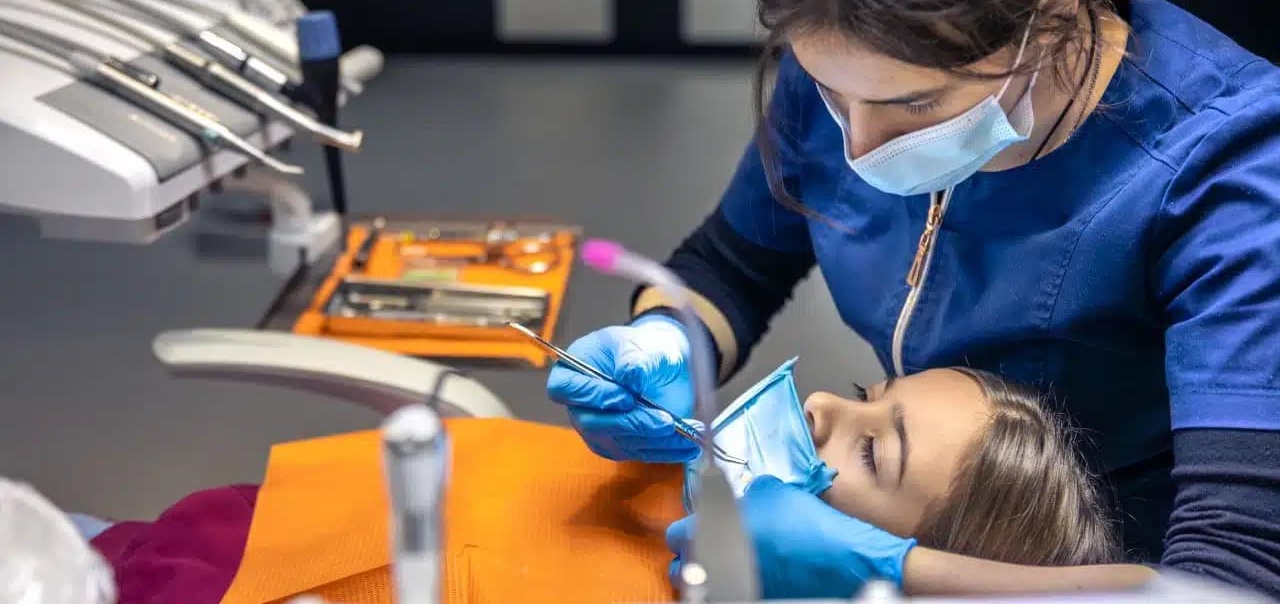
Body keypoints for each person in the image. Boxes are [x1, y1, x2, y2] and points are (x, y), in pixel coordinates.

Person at [547, 0, 1280, 598]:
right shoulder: (853, 57)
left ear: (1051, 18)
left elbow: (1231, 577)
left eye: (916, 104)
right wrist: (668, 342)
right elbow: (731, 266)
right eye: (832, 94)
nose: (860, 147)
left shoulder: (1229, 174)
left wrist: (895, 571)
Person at [87, 367, 1118, 604]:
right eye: (859, 395)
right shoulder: (676, 488)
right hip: (208, 538)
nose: (816, 414)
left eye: (869, 453)